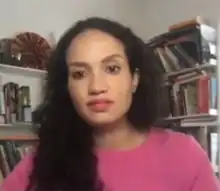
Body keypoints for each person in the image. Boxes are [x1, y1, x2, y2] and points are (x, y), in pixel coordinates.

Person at [0, 17, 219, 191]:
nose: (96, 86)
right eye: (79, 73)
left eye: (112, 69)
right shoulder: (42, 161)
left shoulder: (184, 155)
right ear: (67, 87)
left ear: (134, 79)